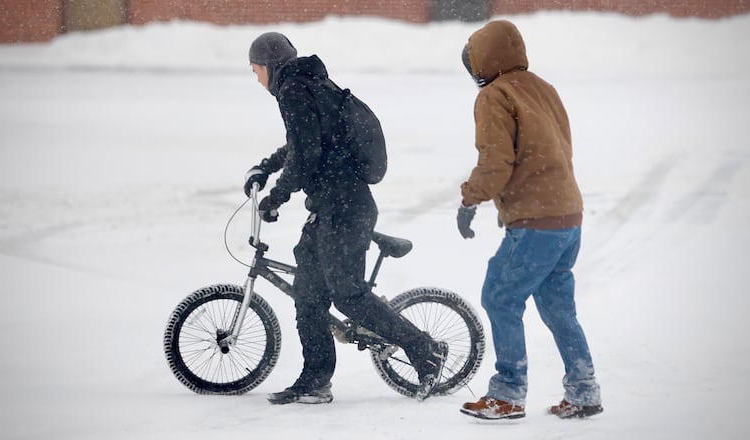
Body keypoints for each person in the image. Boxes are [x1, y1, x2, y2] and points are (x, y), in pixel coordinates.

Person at [243, 32, 447, 405]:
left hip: (344, 207)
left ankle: (425, 351)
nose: (257, 80)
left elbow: (304, 155)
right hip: (331, 206)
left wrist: (275, 197)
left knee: (347, 295)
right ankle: (316, 380)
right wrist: (265, 168)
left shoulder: (294, 90)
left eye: (256, 71)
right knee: (308, 295)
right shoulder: (309, 85)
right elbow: (300, 144)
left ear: (271, 67)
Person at [455, 20, 603, 420]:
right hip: (567, 214)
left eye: (473, 62)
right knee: (558, 307)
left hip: (537, 220)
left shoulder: (495, 96)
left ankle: (507, 393)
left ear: (485, 60)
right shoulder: (543, 88)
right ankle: (584, 390)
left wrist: (470, 200)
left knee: (500, 296)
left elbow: (496, 160)